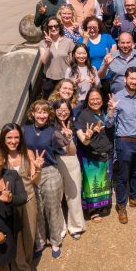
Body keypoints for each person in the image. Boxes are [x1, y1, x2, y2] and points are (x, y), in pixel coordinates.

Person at [0, 123, 43, 271]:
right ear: (3, 139)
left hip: (29, 198)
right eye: (9, 137)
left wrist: (38, 169)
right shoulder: (0, 157)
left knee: (29, 235)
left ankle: (27, 263)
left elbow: (34, 180)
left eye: (16, 137)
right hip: (10, 202)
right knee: (16, 239)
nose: (13, 141)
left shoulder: (27, 153)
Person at [22, 100, 65, 259]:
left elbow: (67, 150)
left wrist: (68, 137)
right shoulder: (24, 130)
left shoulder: (54, 131)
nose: (41, 115)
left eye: (45, 112)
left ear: (49, 114)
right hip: (31, 172)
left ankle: (55, 241)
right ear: (32, 113)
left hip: (49, 172)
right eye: (38, 112)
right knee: (37, 208)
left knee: (52, 208)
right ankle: (39, 242)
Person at [110, 67, 136, 224]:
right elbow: (109, 123)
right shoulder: (117, 98)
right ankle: (121, 205)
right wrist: (110, 111)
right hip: (124, 141)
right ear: (125, 79)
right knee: (122, 176)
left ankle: (134, 198)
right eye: (131, 78)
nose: (134, 81)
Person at [74, 88, 116, 223]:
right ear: (87, 100)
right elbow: (83, 140)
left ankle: (102, 205)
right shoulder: (83, 115)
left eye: (98, 98)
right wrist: (89, 134)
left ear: (102, 100)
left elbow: (110, 125)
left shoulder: (106, 113)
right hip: (90, 155)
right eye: (92, 99)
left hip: (106, 152)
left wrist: (111, 110)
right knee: (91, 184)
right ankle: (92, 210)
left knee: (104, 181)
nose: (95, 101)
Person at [52, 99, 86, 241]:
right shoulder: (50, 126)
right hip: (54, 162)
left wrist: (71, 138)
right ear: (54, 111)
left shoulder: (74, 124)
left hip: (71, 161)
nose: (63, 113)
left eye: (66, 110)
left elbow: (82, 142)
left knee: (74, 195)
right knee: (56, 196)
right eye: (59, 110)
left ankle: (76, 226)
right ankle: (60, 227)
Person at [39, 17, 74, 99]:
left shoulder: (68, 41)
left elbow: (72, 61)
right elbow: (44, 61)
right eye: (50, 27)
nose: (53, 28)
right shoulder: (43, 43)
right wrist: (48, 46)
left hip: (64, 78)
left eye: (56, 26)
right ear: (47, 28)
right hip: (49, 79)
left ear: (60, 27)